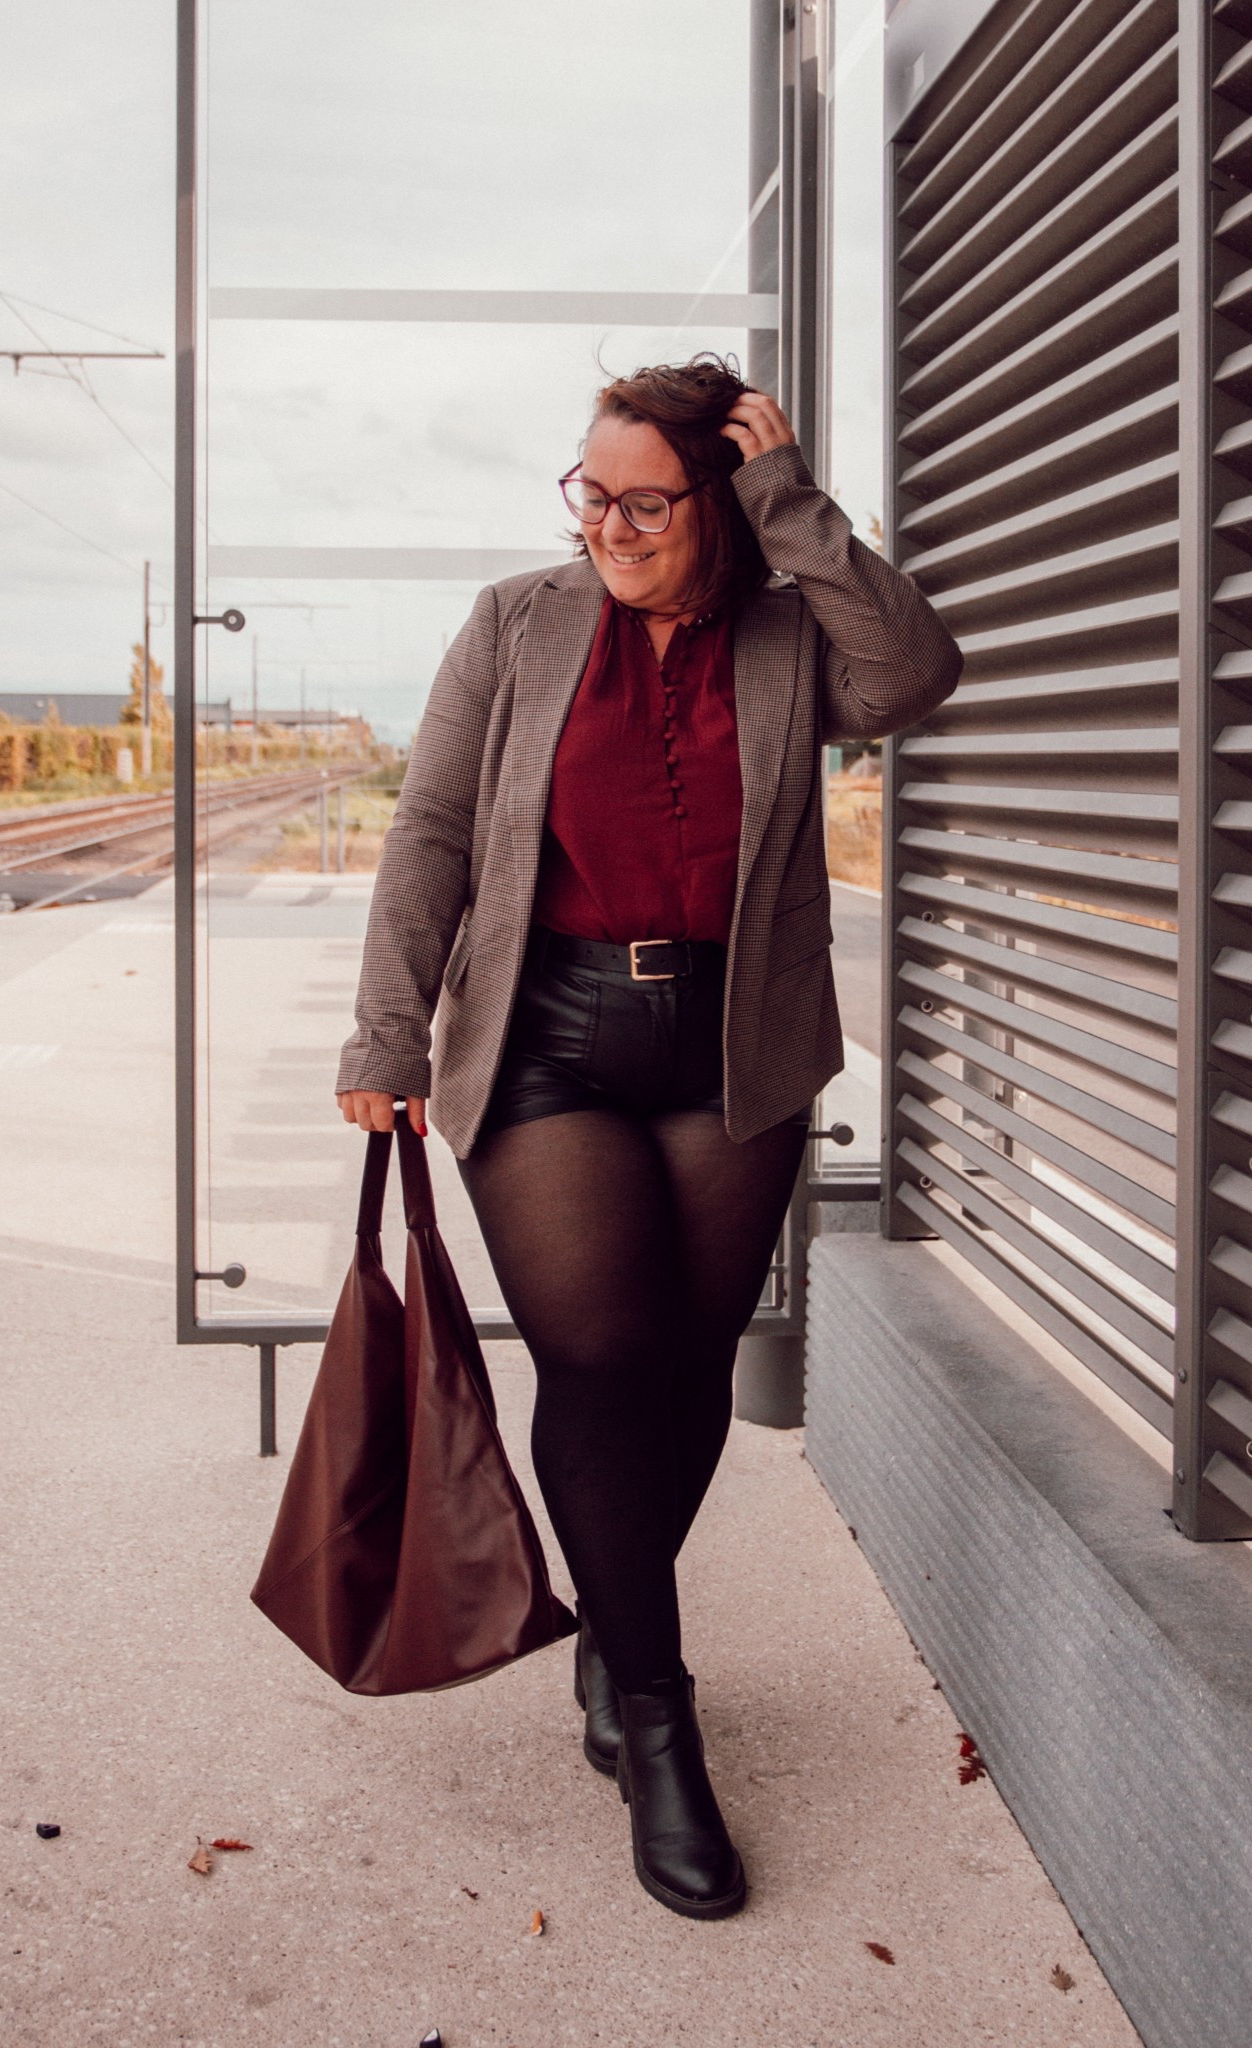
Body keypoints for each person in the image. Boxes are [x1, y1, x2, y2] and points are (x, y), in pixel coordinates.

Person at [336, 354, 961, 1919]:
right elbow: (426, 828)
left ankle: (614, 1640)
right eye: (589, 492)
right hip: (544, 1039)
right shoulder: (518, 623)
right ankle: (660, 1715)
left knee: (684, 1366)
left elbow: (911, 680)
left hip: (729, 1048)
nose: (606, 524)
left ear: (717, 499)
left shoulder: (783, 627)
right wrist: (386, 1031)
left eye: (642, 499)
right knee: (606, 1362)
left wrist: (793, 506)